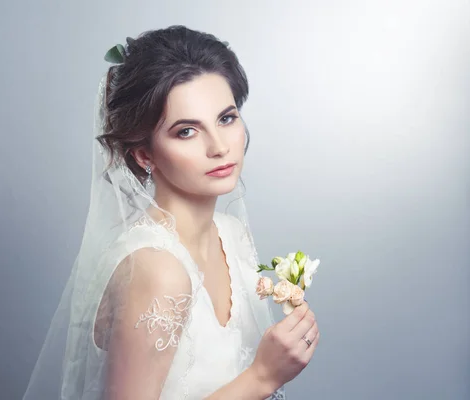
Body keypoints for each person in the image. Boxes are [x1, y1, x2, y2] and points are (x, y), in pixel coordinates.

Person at [23, 25, 319, 400]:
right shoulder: (157, 269)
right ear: (144, 154)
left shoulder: (229, 234)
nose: (219, 147)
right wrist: (262, 377)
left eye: (226, 119)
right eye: (186, 131)